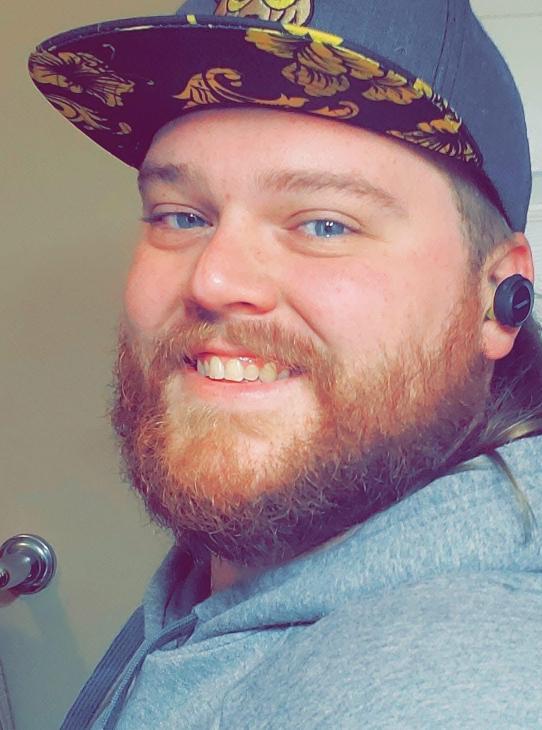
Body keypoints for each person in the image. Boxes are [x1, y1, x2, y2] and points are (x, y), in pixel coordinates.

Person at [28, 1, 542, 727]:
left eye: (325, 224)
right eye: (181, 215)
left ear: (497, 298)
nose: (213, 280)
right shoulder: (259, 538)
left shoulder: (463, 680)